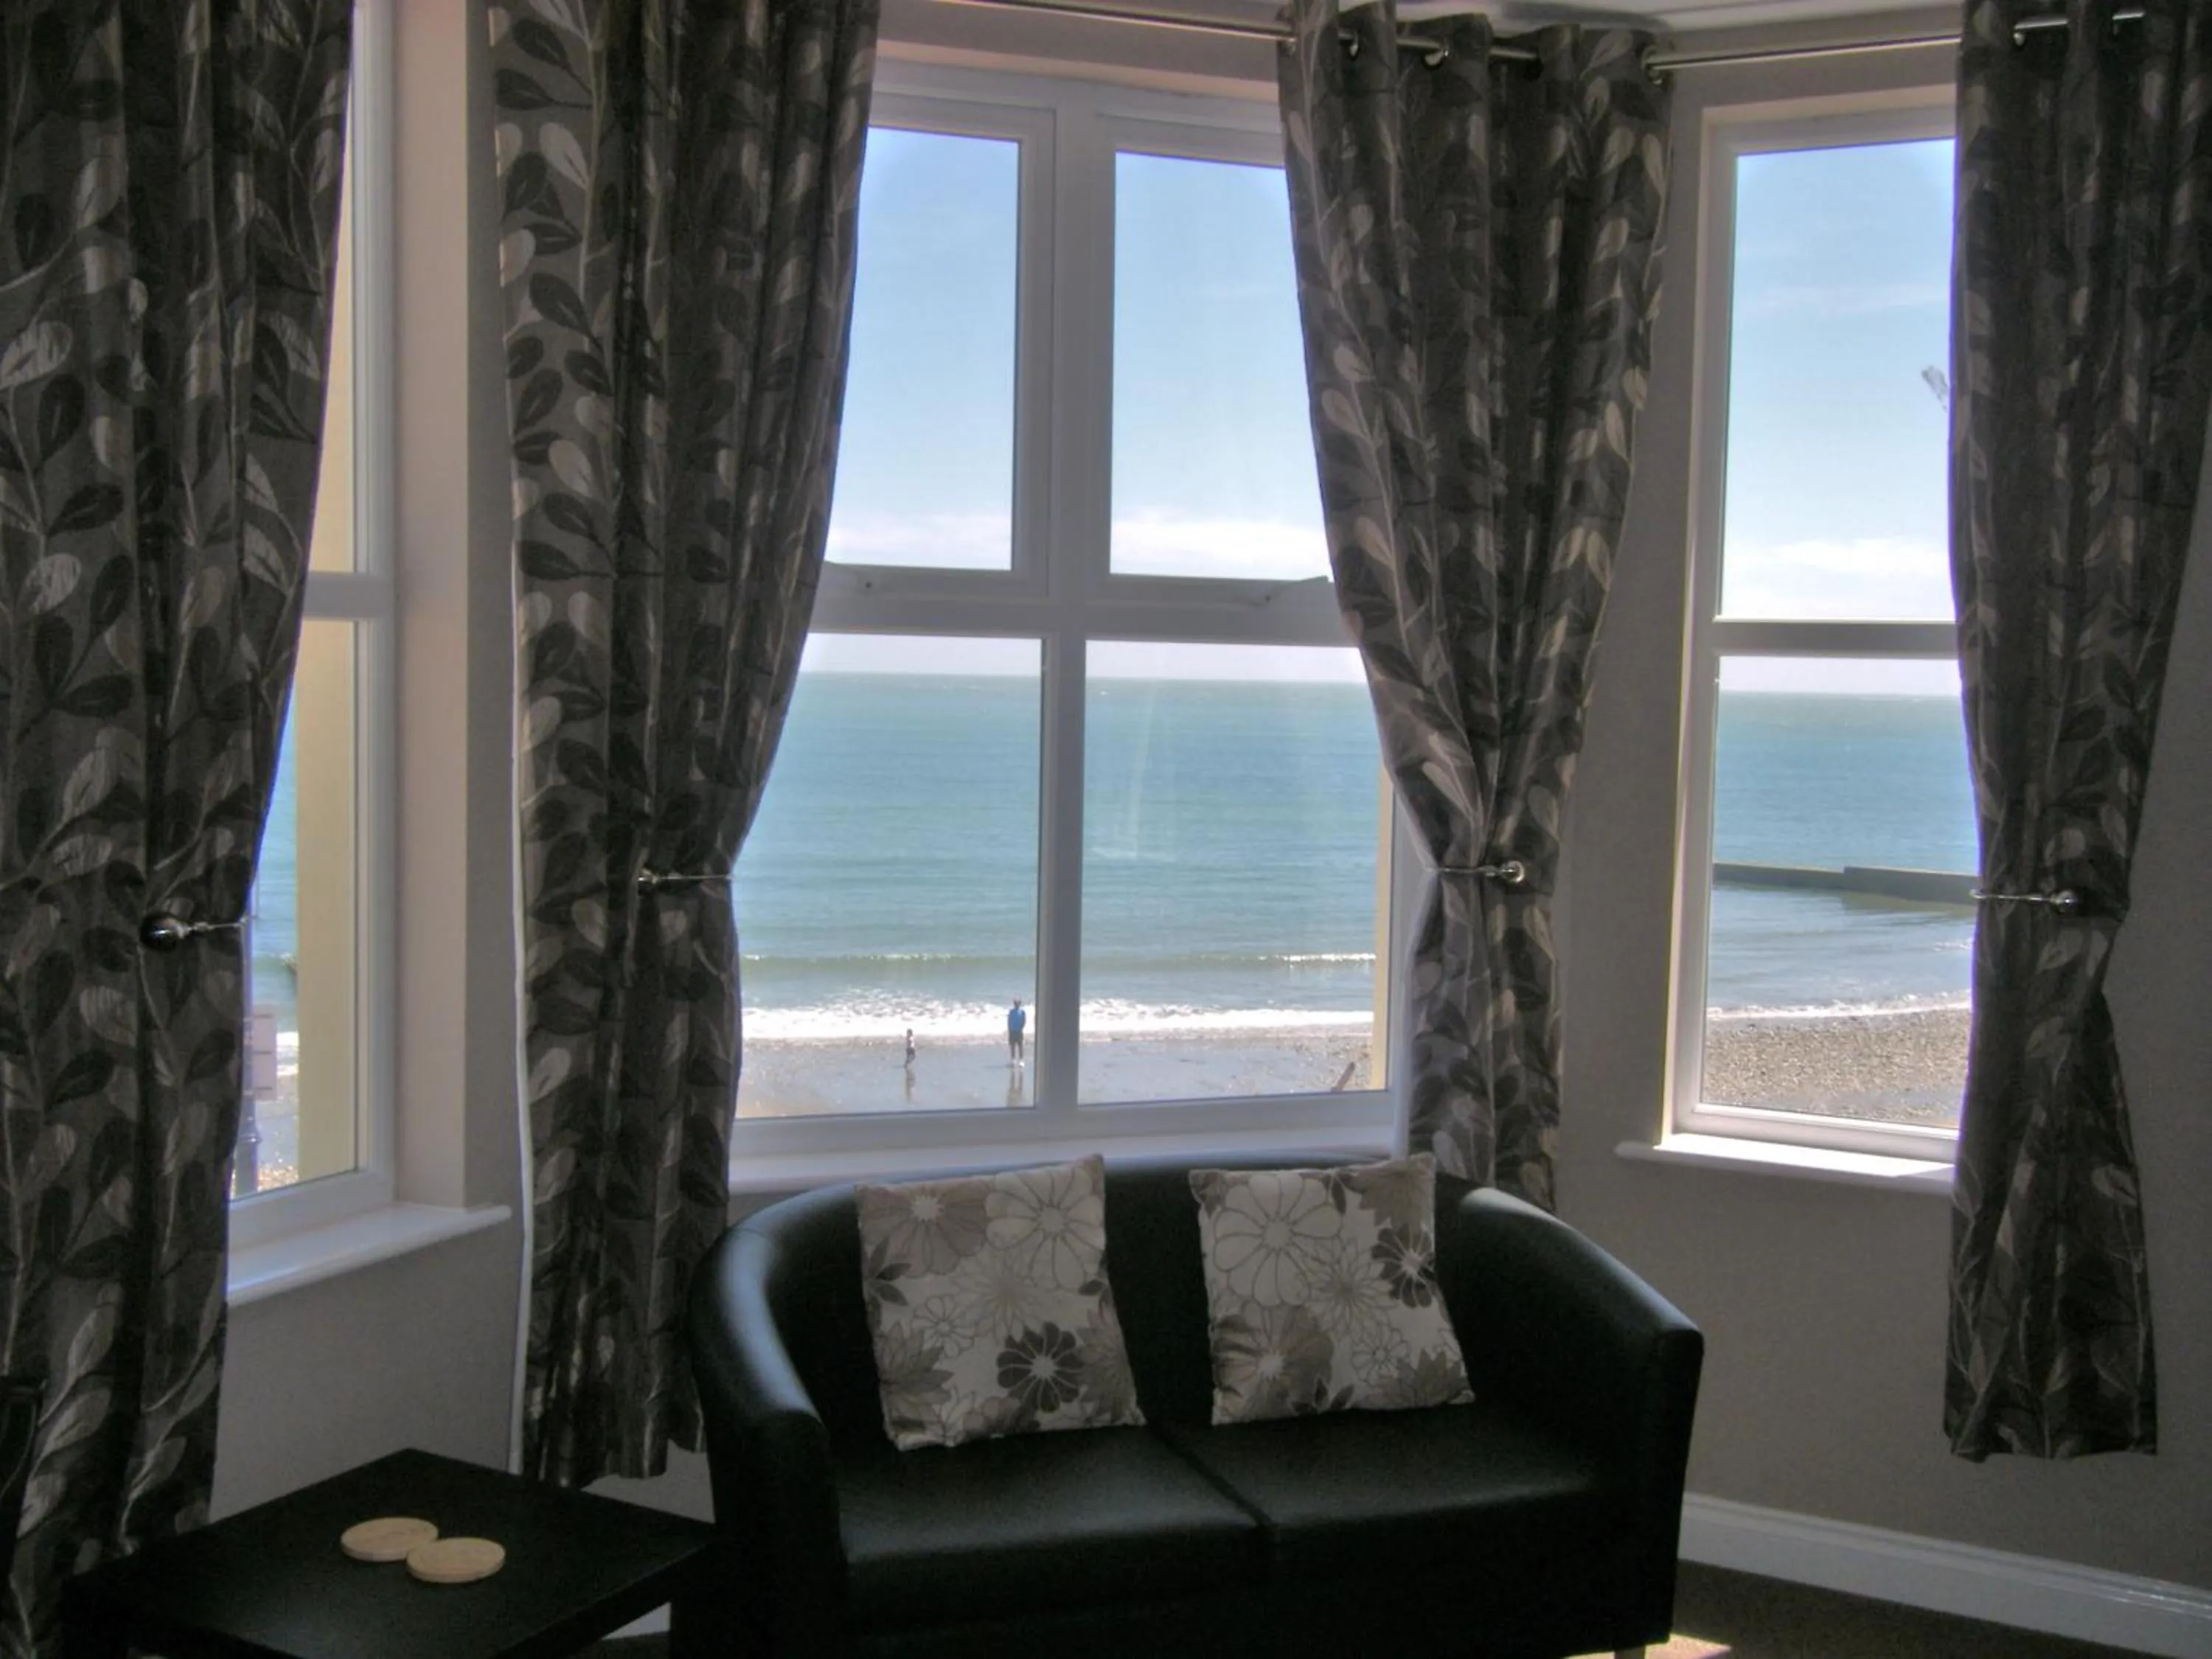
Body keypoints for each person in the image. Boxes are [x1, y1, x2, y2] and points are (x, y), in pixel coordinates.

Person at [1006, 998, 1026, 1063]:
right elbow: (1009, 1021)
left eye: (1018, 1004)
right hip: (1012, 1031)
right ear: (1014, 1004)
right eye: (1016, 1003)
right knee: (1013, 1046)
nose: (1017, 1005)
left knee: (1020, 1046)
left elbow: (1024, 1021)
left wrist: (1021, 1028)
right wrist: (1009, 1030)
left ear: (1020, 1004)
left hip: (1019, 1031)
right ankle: (1013, 1059)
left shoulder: (1022, 1012)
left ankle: (1021, 1060)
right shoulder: (1011, 1012)